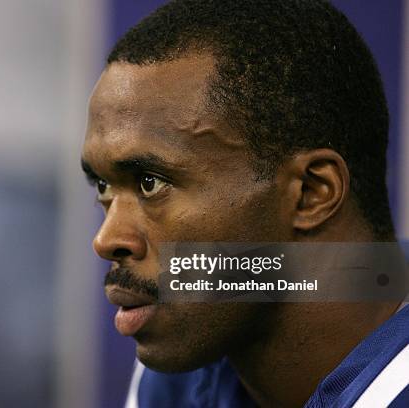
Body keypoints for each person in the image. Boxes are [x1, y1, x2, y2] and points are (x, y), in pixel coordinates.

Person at [80, 0, 408, 406]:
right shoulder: (182, 362)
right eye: (103, 187)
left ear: (310, 193)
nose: (106, 238)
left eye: (150, 183)